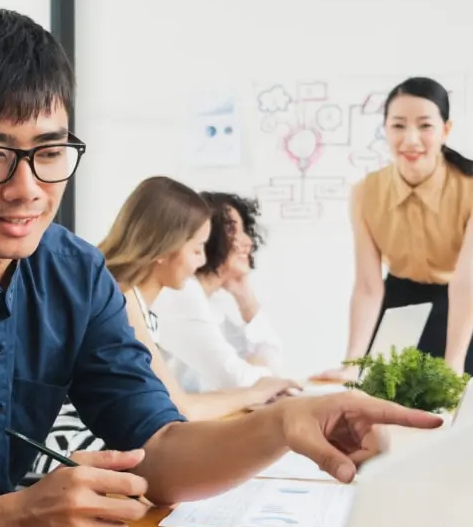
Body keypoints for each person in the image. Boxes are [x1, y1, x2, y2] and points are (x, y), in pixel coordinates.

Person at [0, 7, 445, 527]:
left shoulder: (74, 271)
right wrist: (7, 523)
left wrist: (282, 426)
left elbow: (160, 452)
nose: (27, 188)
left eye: (51, 152)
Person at [31, 177, 300, 475]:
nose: (200, 262)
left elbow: (173, 402)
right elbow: (180, 410)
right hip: (75, 456)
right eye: (197, 249)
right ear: (164, 248)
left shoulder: (135, 300)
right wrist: (255, 393)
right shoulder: (121, 298)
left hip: (99, 448)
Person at [312, 76, 473, 382]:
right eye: (398, 126)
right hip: (398, 311)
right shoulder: (366, 192)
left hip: (462, 311)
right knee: (390, 420)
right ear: (385, 129)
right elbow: (369, 287)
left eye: (425, 126)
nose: (410, 140)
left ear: (445, 130)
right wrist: (352, 364)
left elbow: (467, 280)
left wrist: (454, 362)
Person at [154, 191, 293, 393]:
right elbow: (237, 378)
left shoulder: (210, 306)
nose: (248, 242)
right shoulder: (182, 294)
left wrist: (246, 298)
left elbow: (273, 368)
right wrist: (261, 372)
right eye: (234, 231)